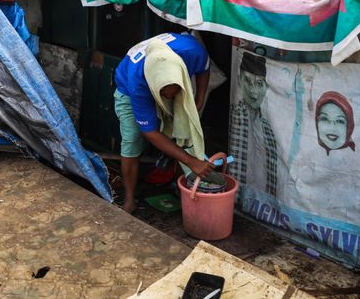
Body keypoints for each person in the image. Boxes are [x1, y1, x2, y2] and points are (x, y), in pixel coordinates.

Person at [113, 32, 212, 213]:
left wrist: (199, 98)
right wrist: (191, 161)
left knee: (185, 131)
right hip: (128, 89)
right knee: (132, 139)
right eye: (165, 94)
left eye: (173, 93)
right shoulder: (138, 83)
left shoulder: (193, 51)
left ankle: (181, 190)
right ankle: (129, 199)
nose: (169, 98)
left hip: (171, 78)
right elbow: (149, 132)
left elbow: (204, 69)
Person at [228, 51, 279, 197]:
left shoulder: (269, 129)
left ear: (267, 87)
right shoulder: (235, 115)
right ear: (239, 80)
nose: (253, 92)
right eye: (248, 82)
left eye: (259, 84)